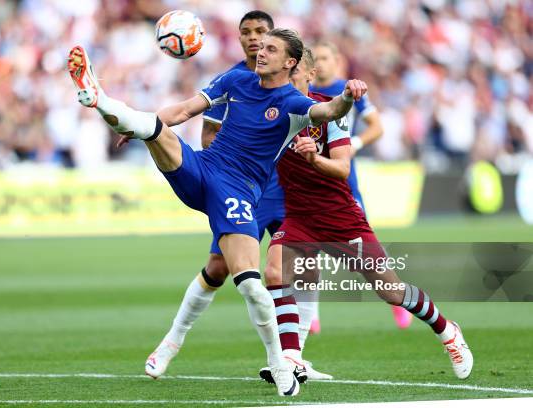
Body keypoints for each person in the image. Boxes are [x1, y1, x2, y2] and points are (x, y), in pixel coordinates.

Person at [67, 28, 368, 396]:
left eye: (271, 48)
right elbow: (181, 111)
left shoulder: (293, 103)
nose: (260, 51)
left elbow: (330, 110)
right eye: (259, 44)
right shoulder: (237, 79)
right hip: (204, 167)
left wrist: (349, 96)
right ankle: (98, 99)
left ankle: (279, 363)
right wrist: (137, 126)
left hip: (239, 191)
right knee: (155, 129)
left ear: (290, 63)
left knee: (252, 286)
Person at [258, 48, 473, 383]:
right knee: (274, 271)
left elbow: (343, 168)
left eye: (297, 71)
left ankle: (447, 330)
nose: (289, 76)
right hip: (299, 216)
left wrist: (314, 159)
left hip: (341, 217)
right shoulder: (273, 112)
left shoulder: (332, 112)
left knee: (391, 291)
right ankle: (290, 358)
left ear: (310, 75)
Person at [143, 11, 332, 385]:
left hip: (289, 188)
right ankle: (171, 341)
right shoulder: (233, 81)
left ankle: (293, 357)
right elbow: (208, 138)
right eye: (246, 33)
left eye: (261, 32)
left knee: (297, 265)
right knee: (219, 268)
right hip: (243, 187)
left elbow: (317, 110)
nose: (254, 39)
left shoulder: (290, 72)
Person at [310, 41, 413, 331]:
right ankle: (311, 312)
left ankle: (397, 299)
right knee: (307, 245)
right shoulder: (300, 93)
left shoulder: (350, 90)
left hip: (343, 179)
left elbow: (377, 127)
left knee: (366, 246)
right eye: (315, 59)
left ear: (337, 59)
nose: (320, 63)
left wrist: (355, 143)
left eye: (325, 57)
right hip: (309, 177)